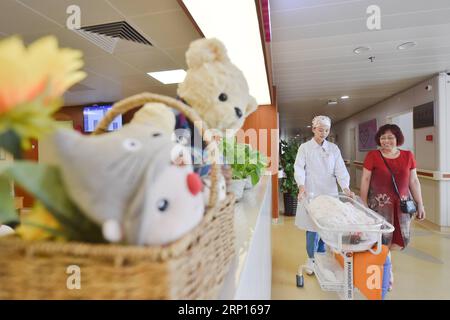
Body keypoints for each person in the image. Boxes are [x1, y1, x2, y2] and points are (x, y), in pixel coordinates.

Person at [360, 123, 426, 290]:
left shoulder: (408, 156)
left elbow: (414, 181)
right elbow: (365, 180)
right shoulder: (373, 156)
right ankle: (387, 275)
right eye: (383, 137)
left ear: (398, 139)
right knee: (382, 242)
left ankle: (385, 268)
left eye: (390, 137)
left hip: (403, 207)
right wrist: (363, 204)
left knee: (398, 241)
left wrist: (420, 204)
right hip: (379, 206)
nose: (386, 141)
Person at [294, 115, 354, 275]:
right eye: (320, 130)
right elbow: (299, 168)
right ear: (313, 129)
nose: (324, 133)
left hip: (329, 194)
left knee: (326, 228)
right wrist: (301, 186)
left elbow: (340, 170)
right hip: (311, 192)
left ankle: (320, 257)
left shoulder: (333, 149)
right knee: (312, 228)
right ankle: (311, 259)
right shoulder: (305, 148)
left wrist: (346, 188)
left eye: (326, 130)